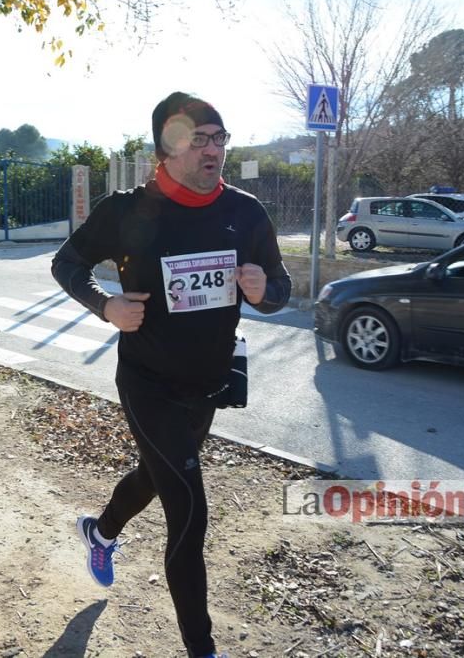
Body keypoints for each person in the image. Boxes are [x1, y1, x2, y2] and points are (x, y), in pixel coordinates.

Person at [51, 91, 291, 658]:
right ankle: (202, 650)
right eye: (199, 139)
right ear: (167, 148)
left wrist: (265, 291)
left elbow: (280, 288)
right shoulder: (128, 210)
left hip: (206, 385)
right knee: (189, 508)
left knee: (159, 477)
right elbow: (67, 263)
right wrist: (104, 305)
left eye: (220, 138)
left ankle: (101, 531)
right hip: (147, 383)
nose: (213, 151)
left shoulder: (246, 212)